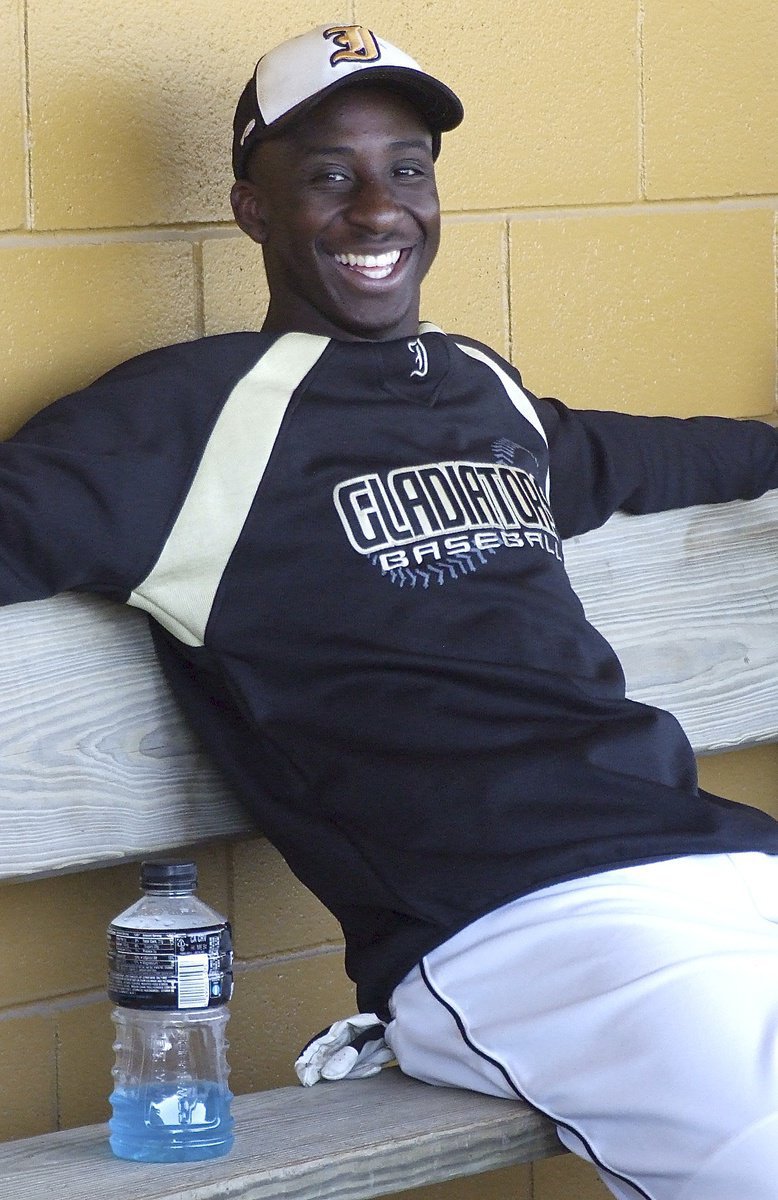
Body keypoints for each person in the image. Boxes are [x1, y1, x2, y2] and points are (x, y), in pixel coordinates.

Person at [2, 23, 778, 1200]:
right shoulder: (180, 422)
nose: (378, 209)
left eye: (406, 169)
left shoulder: (483, 389)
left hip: (720, 862)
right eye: (329, 176)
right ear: (253, 210)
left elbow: (654, 458)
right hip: (516, 926)